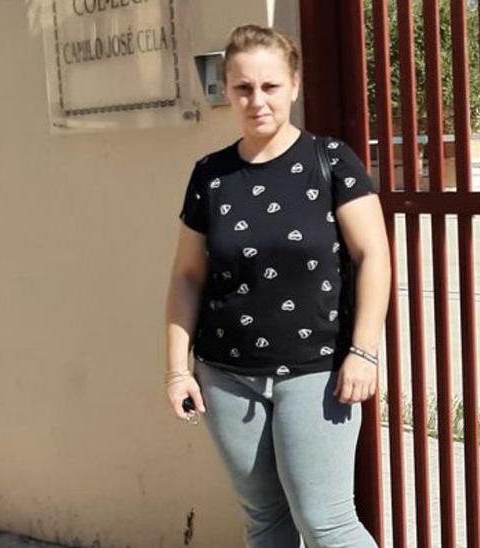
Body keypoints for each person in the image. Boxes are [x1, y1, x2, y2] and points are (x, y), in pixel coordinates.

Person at [162, 23, 389, 548]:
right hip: (226, 376)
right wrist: (177, 371)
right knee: (266, 523)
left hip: (317, 373)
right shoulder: (210, 176)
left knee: (327, 522)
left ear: (294, 85)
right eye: (243, 87)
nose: (256, 100)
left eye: (269, 86)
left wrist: (364, 351)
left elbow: (373, 255)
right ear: (228, 89)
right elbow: (187, 275)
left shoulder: (331, 163)